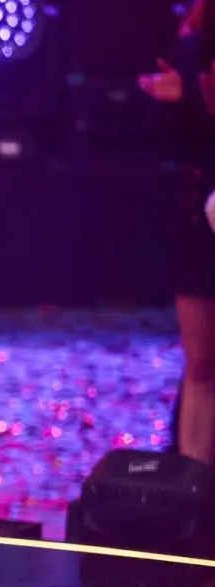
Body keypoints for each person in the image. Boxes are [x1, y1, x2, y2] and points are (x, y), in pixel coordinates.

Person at [141, 0, 215, 463]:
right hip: (200, 215)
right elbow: (173, 139)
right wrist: (178, 99)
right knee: (202, 361)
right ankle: (193, 486)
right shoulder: (190, 47)